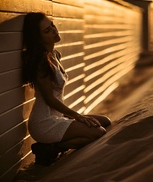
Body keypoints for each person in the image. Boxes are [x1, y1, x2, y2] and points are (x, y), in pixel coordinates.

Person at [22, 12, 111, 165]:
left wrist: (72, 117)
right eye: (47, 31)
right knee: (98, 132)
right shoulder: (41, 63)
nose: (54, 30)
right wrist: (77, 116)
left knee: (105, 121)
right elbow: (50, 100)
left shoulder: (55, 55)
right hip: (44, 122)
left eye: (52, 25)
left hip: (57, 117)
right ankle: (51, 148)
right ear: (38, 38)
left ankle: (53, 145)